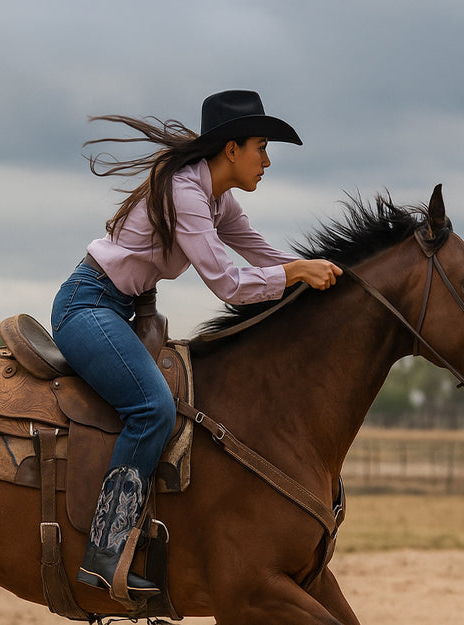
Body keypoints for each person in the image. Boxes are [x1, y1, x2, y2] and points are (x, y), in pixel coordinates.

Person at [52, 90, 342, 594]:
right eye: (261, 147)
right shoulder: (186, 194)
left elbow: (261, 253)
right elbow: (227, 282)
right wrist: (295, 274)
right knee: (153, 409)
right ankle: (105, 550)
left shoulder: (217, 199)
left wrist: (319, 277)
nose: (267, 160)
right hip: (88, 307)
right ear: (231, 150)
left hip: (117, 309)